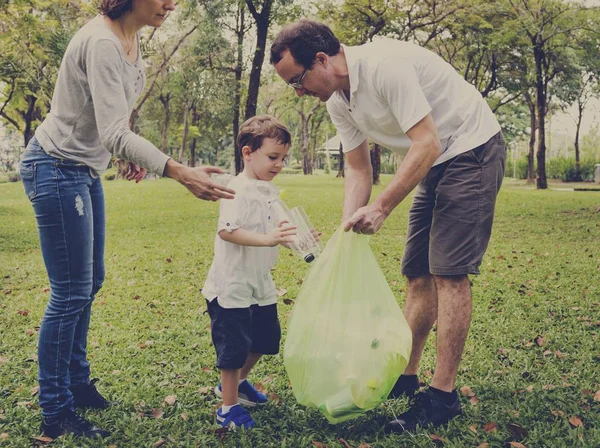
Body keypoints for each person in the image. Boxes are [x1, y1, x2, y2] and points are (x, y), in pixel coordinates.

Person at [270, 20, 506, 433]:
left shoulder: (384, 67)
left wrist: (381, 208)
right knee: (417, 273)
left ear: (322, 59)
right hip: (434, 161)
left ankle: (442, 396)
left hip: (471, 148)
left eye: (298, 80)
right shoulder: (337, 102)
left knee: (448, 272)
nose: (299, 92)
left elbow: (427, 142)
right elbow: (358, 169)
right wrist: (346, 230)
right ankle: (407, 373)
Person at [19, 0, 234, 439]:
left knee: (90, 282)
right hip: (56, 167)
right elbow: (114, 130)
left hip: (83, 169)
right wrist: (176, 170)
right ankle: (55, 408)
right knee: (70, 292)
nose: (170, 4)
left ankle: (77, 383)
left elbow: (112, 124)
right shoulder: (101, 42)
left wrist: (123, 154)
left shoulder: (132, 39)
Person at [202, 115, 298, 431]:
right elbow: (227, 231)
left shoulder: (268, 191)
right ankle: (227, 407)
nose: (279, 164)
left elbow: (278, 231)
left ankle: (238, 384)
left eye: (283, 158)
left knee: (266, 339)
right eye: (273, 157)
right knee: (234, 348)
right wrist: (269, 238)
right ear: (248, 152)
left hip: (260, 283)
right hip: (232, 286)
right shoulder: (237, 190)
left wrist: (296, 241)